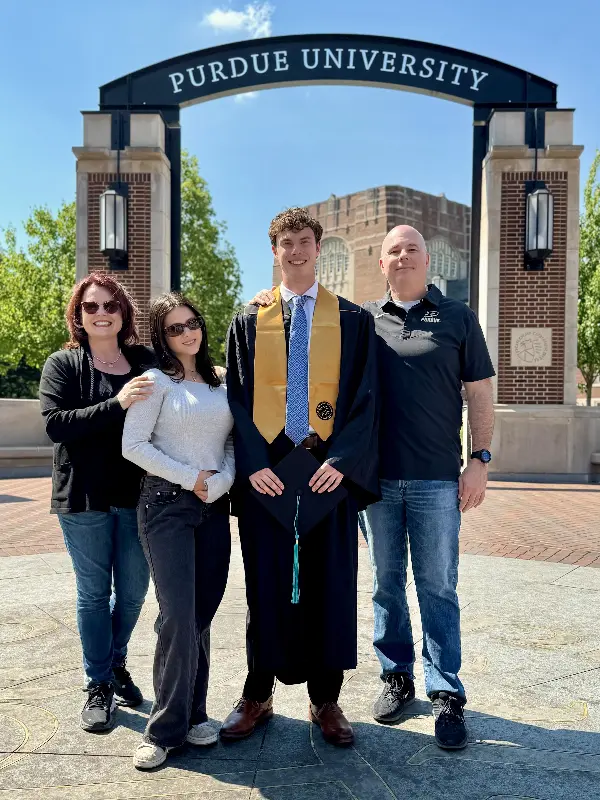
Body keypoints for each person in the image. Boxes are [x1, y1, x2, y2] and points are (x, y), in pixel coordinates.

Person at [251, 224, 495, 751]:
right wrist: (269, 302)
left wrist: (479, 458)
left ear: (429, 260)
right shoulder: (359, 320)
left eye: (412, 249)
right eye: (393, 251)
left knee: (437, 586)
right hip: (374, 479)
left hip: (434, 476)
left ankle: (446, 691)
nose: (402, 257)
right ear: (379, 263)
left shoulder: (457, 318)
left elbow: (478, 389)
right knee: (386, 584)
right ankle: (397, 675)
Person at [222, 207, 379, 747]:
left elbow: (365, 402)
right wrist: (254, 465)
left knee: (329, 586)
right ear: (274, 250)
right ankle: (257, 694)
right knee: (264, 587)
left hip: (325, 475)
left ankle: (325, 700)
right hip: (267, 476)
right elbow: (237, 403)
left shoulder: (354, 320)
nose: (296, 250)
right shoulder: (249, 321)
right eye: (285, 242)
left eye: (305, 240)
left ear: (319, 248)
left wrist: (341, 462)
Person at [122, 293, 234, 770]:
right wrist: (191, 478)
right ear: (160, 336)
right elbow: (133, 446)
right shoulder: (154, 382)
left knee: (200, 615)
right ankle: (164, 730)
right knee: (179, 614)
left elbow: (233, 442)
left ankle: (195, 714)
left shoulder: (223, 383)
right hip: (166, 506)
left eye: (192, 323)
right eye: (174, 328)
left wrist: (222, 480)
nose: (188, 333)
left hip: (213, 505)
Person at [39, 273, 155, 733]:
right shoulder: (64, 364)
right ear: (79, 314)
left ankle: (115, 660)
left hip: (136, 497)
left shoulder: (145, 360)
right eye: (91, 306)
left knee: (131, 593)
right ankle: (99, 683)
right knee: (93, 594)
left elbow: (190, 359)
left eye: (110, 305)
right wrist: (119, 403)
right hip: (83, 498)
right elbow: (56, 424)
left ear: (124, 312)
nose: (101, 312)